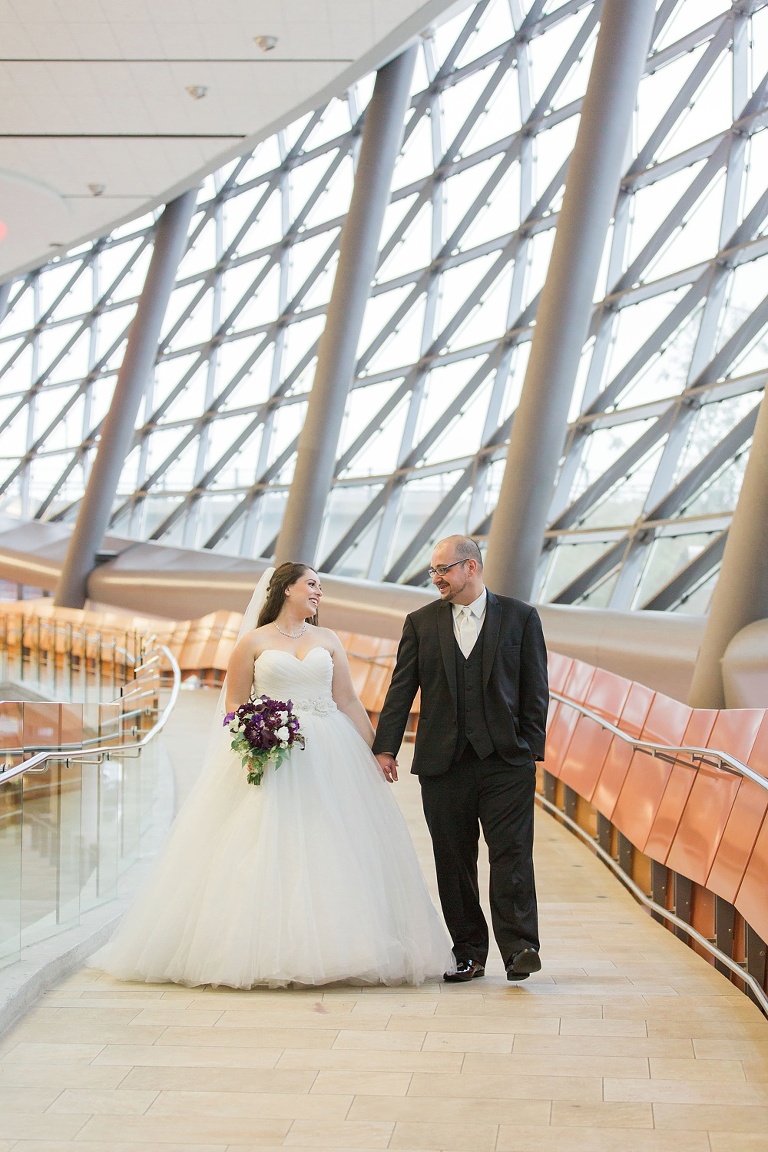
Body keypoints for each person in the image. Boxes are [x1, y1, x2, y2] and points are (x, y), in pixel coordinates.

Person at [91, 562, 454, 988]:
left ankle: (346, 944)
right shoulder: (252, 642)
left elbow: (349, 701)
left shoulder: (328, 639)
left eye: (320, 586)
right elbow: (234, 706)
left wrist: (379, 750)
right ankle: (263, 947)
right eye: (312, 584)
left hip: (331, 751)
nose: (319, 592)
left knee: (335, 841)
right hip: (275, 752)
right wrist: (252, 744)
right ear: (286, 589)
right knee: (268, 841)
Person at [373, 535, 549, 983]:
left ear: (470, 567)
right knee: (453, 860)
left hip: (506, 763)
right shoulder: (420, 623)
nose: (436, 579)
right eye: (432, 572)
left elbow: (536, 690)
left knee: (511, 855)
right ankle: (468, 952)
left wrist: (529, 751)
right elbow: (401, 689)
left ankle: (520, 947)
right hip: (442, 763)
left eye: (442, 570)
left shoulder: (521, 618)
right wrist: (385, 747)